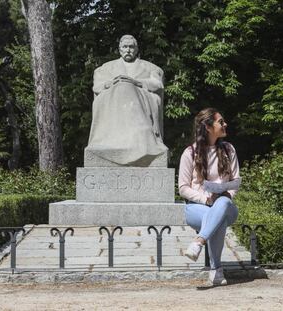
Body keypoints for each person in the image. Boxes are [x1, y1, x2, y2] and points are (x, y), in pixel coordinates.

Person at [178, 108, 240, 286]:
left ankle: (199, 241)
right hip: (197, 207)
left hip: (226, 206)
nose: (225, 124)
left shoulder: (229, 150)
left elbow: (235, 180)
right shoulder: (190, 153)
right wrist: (206, 199)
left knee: (222, 203)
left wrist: (226, 192)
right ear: (208, 126)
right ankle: (216, 270)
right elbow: (183, 188)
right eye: (221, 121)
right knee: (216, 220)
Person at [85, 34, 167, 166]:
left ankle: (143, 141)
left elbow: (157, 84)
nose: (128, 50)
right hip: (114, 101)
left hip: (140, 99)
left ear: (136, 49)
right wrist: (112, 83)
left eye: (131, 47)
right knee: (121, 87)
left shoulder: (150, 67)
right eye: (125, 47)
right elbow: (97, 87)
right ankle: (109, 142)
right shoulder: (107, 68)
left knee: (127, 87)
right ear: (119, 49)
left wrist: (135, 82)